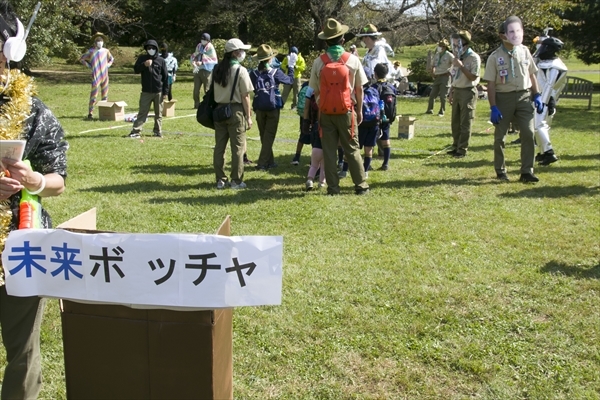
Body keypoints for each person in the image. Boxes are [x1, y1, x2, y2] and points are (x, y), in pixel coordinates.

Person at [0, 2, 69, 398]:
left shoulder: (34, 111)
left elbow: (58, 179)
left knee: (23, 351)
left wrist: (36, 179)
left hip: (21, 245)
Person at [309, 18, 369, 195]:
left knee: (328, 150)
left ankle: (333, 188)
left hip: (326, 112)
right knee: (352, 148)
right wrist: (358, 111)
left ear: (326, 41)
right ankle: (361, 186)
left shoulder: (319, 62)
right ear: (343, 40)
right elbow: (359, 89)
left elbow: (315, 91)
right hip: (347, 111)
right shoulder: (353, 60)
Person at [483, 16, 543, 183]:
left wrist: (537, 94)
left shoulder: (524, 51)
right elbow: (491, 84)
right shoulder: (495, 57)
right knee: (500, 137)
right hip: (504, 98)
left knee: (528, 133)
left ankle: (527, 171)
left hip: (524, 97)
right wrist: (493, 106)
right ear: (503, 36)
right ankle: (501, 170)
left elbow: (531, 74)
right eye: (511, 32)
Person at [212, 38, 254, 189]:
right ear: (235, 53)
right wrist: (248, 116)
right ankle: (236, 180)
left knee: (219, 147)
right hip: (235, 110)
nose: (243, 53)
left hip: (218, 110)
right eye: (241, 50)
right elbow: (245, 96)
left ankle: (220, 179)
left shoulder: (217, 68)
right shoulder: (240, 70)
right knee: (237, 147)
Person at [249, 44, 294, 171]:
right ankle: (262, 164)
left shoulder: (254, 74)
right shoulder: (275, 72)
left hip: (259, 107)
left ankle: (271, 161)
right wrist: (291, 67)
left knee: (264, 136)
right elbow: (290, 81)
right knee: (269, 136)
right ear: (270, 59)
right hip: (273, 107)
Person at [532, 36, 567, 166]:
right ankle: (542, 153)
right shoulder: (546, 62)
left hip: (545, 99)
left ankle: (549, 152)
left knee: (538, 125)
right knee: (540, 126)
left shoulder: (554, 66)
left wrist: (543, 101)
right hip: (542, 97)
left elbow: (549, 85)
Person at [447, 31, 481, 158]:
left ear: (465, 44)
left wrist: (461, 66)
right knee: (455, 122)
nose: (455, 47)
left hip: (468, 91)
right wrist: (451, 91)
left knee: (465, 122)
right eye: (454, 45)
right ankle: (456, 145)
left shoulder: (473, 57)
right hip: (457, 90)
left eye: (458, 44)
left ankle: (462, 149)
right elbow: (453, 76)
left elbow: (473, 77)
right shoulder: (456, 57)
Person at [128, 40, 169, 138]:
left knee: (158, 113)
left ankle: (157, 131)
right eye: (149, 48)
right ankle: (136, 131)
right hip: (146, 91)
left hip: (158, 91)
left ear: (156, 49)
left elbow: (166, 77)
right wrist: (144, 65)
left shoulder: (161, 60)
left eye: (153, 48)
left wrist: (165, 92)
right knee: (142, 112)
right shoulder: (142, 58)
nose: (151, 50)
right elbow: (136, 70)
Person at [80, 32, 114, 120]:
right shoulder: (91, 51)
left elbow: (111, 59)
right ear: (95, 42)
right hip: (96, 76)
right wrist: (89, 66)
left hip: (105, 75)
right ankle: (90, 113)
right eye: (98, 41)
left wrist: (108, 65)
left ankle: (104, 113)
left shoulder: (106, 51)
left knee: (105, 94)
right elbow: (82, 59)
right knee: (94, 94)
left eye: (101, 41)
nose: (100, 42)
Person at [302, 86, 326, 190]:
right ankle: (321, 183)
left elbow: (307, 107)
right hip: (324, 150)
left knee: (313, 166)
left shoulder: (311, 89)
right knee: (323, 168)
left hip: (315, 149)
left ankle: (310, 180)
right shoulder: (328, 127)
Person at [426, 39, 454, 116]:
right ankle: (429, 110)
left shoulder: (449, 55)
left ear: (444, 47)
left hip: (445, 76)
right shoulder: (437, 55)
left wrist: (451, 71)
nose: (439, 47)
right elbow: (433, 64)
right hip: (437, 76)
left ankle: (442, 111)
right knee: (432, 94)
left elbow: (455, 64)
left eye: (440, 46)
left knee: (443, 95)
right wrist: (432, 72)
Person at [190, 33, 218, 109]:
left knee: (207, 89)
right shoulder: (199, 46)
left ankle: (208, 104)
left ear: (208, 40)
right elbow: (195, 54)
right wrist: (194, 60)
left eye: (204, 40)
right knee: (196, 89)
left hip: (207, 71)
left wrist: (202, 62)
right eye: (202, 39)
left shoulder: (210, 47)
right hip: (198, 70)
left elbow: (213, 59)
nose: (203, 41)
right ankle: (196, 104)